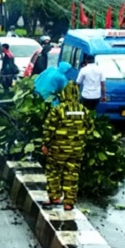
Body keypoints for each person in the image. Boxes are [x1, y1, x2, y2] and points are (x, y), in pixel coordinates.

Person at [40, 82, 92, 210]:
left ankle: (55, 197)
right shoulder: (84, 110)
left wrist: (45, 145)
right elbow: (90, 129)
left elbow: (49, 129)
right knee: (72, 174)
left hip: (58, 149)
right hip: (76, 150)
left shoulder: (58, 110)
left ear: (64, 94)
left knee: (54, 172)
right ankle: (69, 202)